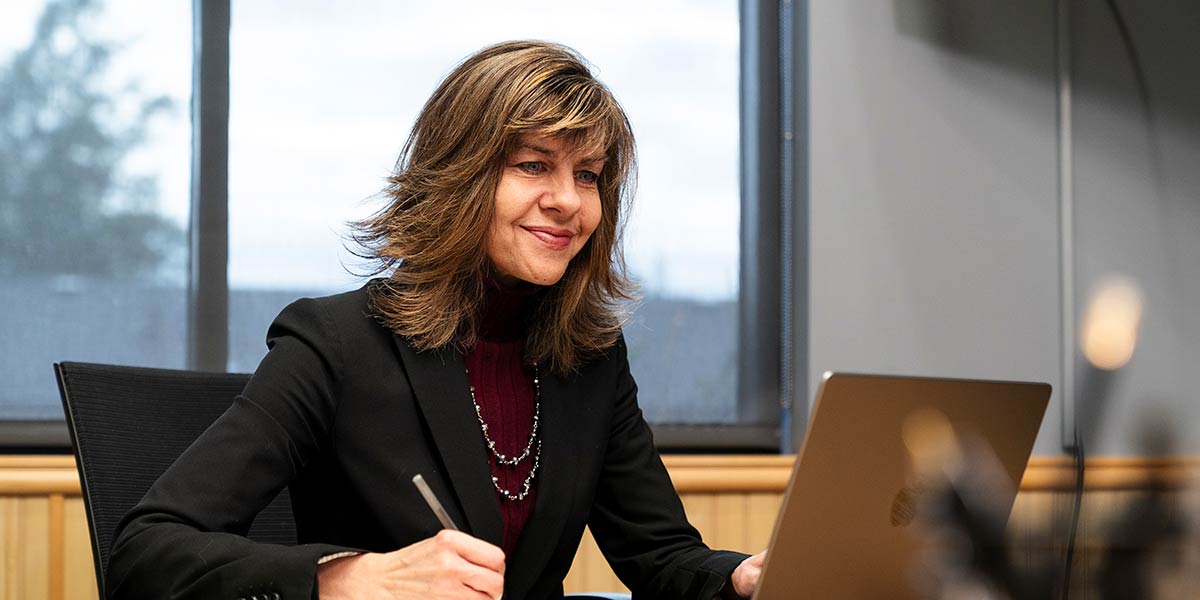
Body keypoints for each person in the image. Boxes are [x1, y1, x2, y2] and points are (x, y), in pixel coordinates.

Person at [107, 40, 765, 600]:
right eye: (534, 164)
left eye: (587, 175)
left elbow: (662, 556)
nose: (567, 200)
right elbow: (145, 551)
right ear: (459, 176)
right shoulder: (335, 344)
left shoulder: (590, 357)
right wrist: (351, 578)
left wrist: (743, 579)